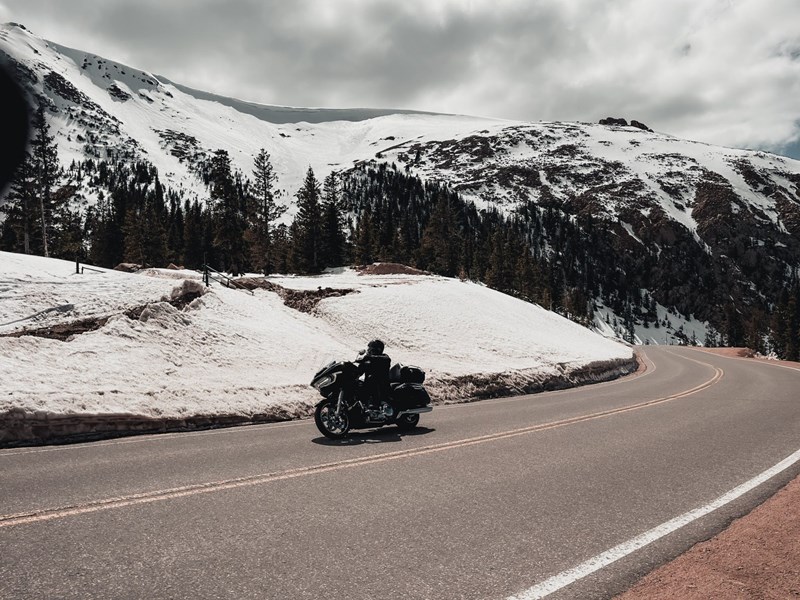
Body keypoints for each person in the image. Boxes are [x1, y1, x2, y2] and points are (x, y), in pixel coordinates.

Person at [355, 339, 391, 416]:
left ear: (377, 349)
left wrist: (368, 357)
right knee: (357, 384)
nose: (368, 350)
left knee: (372, 378)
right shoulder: (367, 360)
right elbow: (358, 372)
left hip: (383, 387)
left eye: (370, 348)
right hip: (370, 385)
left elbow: (383, 359)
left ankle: (376, 405)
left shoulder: (384, 358)